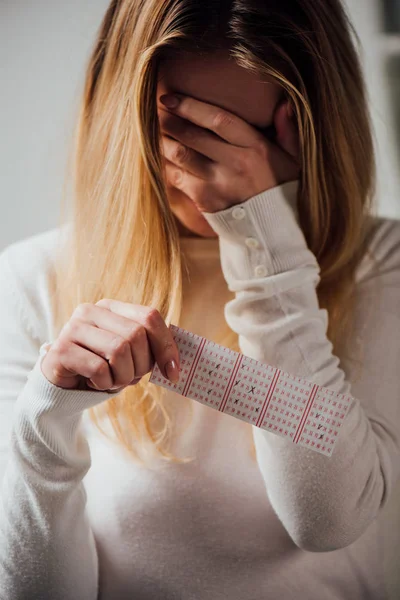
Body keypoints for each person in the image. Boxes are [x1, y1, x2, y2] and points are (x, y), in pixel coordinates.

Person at [1, 0, 400, 598]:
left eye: (249, 138)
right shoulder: (35, 278)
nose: (222, 172)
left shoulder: (381, 262)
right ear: (128, 121)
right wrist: (44, 428)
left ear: (313, 123)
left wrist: (264, 235)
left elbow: (328, 519)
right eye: (187, 136)